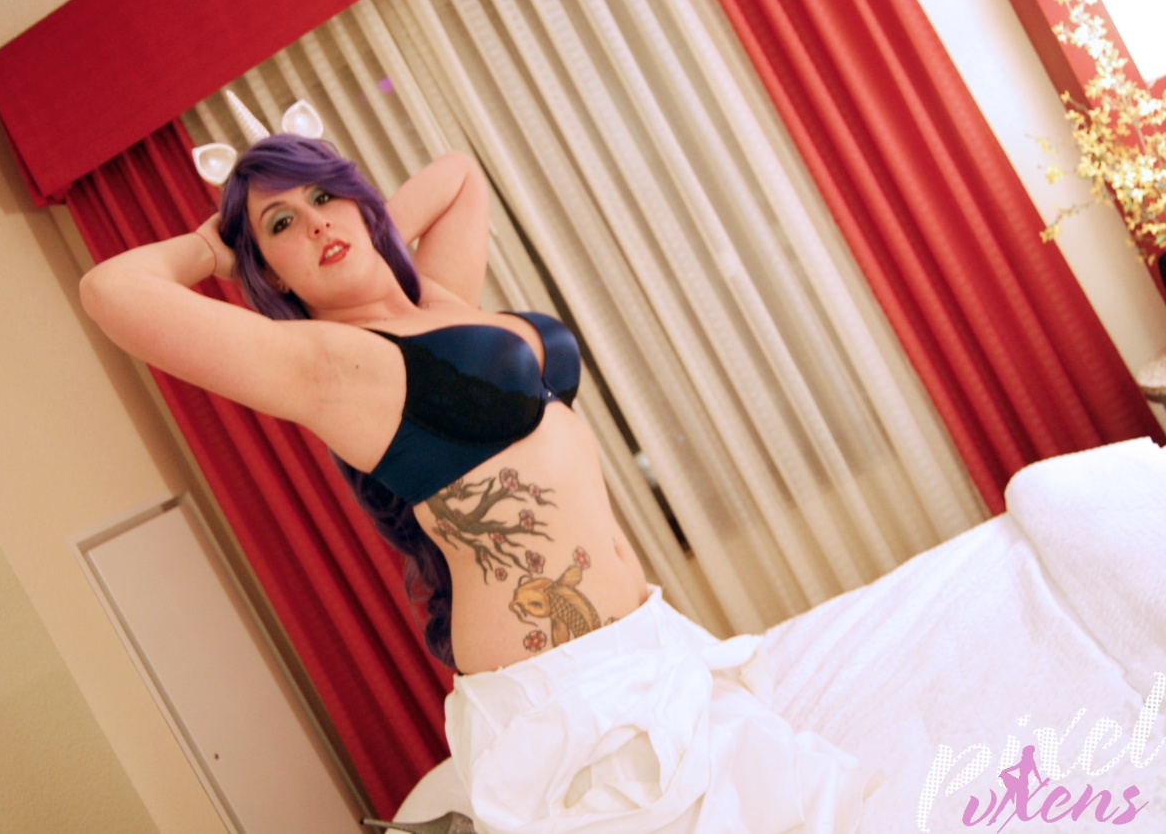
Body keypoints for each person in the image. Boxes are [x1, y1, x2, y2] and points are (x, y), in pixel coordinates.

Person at [81, 133, 878, 833]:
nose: (315, 222)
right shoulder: (330, 366)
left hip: (649, 643)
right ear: (269, 273)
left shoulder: (440, 301)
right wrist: (212, 247)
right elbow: (109, 292)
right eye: (280, 224)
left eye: (324, 196)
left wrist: (365, 222)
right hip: (567, 695)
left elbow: (460, 173)